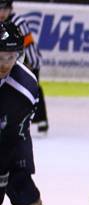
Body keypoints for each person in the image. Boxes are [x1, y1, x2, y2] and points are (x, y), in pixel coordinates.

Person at [0, 21, 62, 205]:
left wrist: (12, 168)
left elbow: (19, 132)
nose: (6, 63)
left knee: (26, 191)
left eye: (12, 57)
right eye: (1, 56)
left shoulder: (25, 87)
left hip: (10, 146)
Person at [0, 1, 47, 133]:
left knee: (32, 87)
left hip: (29, 61)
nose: (2, 13)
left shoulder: (18, 22)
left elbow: (28, 46)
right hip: (11, 62)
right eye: (0, 10)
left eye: (5, 10)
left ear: (10, 9)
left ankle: (41, 119)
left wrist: (30, 66)